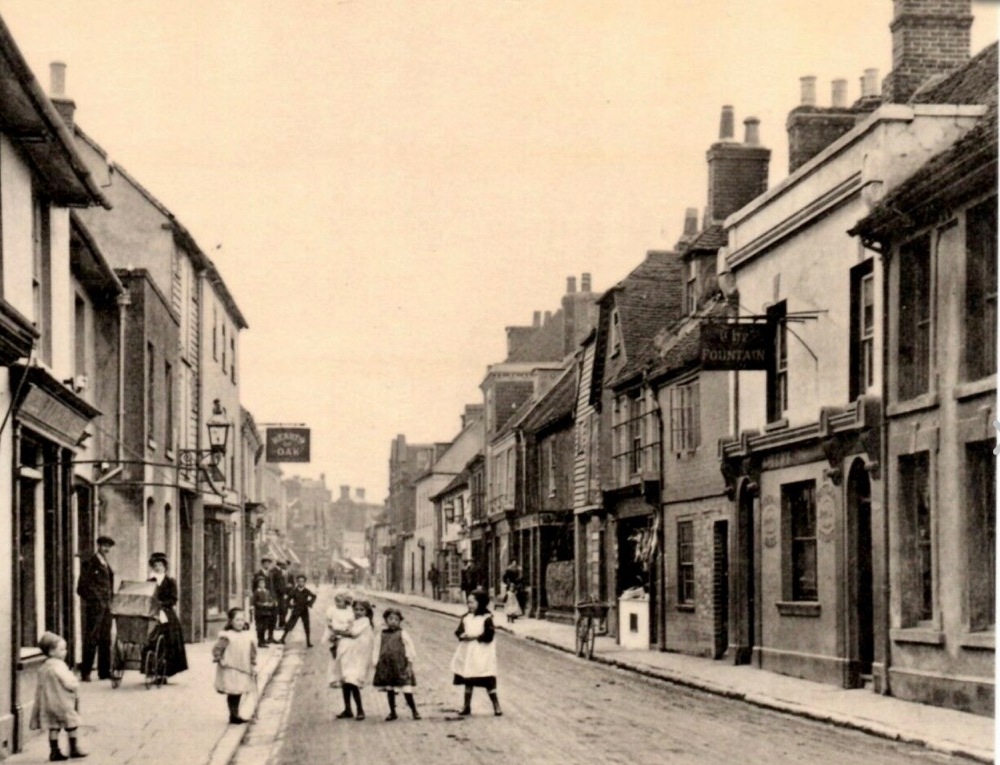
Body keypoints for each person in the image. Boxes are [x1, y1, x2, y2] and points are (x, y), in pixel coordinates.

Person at [30, 631, 86, 761]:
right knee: (71, 724)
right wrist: (75, 683)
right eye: (61, 649)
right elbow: (69, 682)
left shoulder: (43, 667)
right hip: (63, 702)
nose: (65, 652)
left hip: (48, 703)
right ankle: (73, 748)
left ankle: (54, 751)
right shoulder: (59, 666)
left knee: (53, 727)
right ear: (51, 652)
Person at [450, 590, 502, 717]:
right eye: (468, 602)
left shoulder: (486, 618)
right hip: (468, 652)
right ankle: (466, 706)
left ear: (481, 603)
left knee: (487, 677)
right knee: (468, 677)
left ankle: (496, 705)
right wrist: (462, 635)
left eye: (473, 602)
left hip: (482, 652)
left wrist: (473, 636)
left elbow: (489, 636)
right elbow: (458, 631)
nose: (470, 605)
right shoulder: (466, 618)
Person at [76, 535, 115, 682]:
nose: (106, 548)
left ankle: (104, 671)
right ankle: (86, 671)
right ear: (98, 546)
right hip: (96, 606)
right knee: (91, 638)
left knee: (105, 638)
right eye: (104, 545)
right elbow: (81, 587)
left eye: (109, 546)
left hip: (107, 606)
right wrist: (96, 600)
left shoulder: (105, 563)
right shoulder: (91, 562)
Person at [371, 608, 420, 721]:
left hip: (401, 666)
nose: (393, 621)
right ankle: (392, 712)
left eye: (396, 619)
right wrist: (376, 663)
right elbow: (376, 649)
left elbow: (409, 648)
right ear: (386, 620)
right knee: (390, 689)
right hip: (386, 666)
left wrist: (409, 664)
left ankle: (414, 711)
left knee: (406, 688)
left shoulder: (402, 633)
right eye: (390, 619)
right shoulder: (381, 635)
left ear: (399, 621)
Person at [212, 607, 257, 724]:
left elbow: (252, 652)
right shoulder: (227, 636)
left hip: (243, 667)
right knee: (233, 692)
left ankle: (234, 714)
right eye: (237, 620)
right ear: (231, 621)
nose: (240, 623)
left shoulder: (248, 636)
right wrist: (218, 658)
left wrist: (253, 664)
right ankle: (234, 715)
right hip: (231, 667)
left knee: (239, 691)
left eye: (242, 620)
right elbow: (218, 648)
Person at [147, 553, 189, 678]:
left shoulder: (170, 581)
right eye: (155, 565)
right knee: (149, 636)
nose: (158, 567)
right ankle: (151, 669)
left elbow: (173, 599)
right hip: (153, 612)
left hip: (166, 611)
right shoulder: (149, 581)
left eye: (160, 565)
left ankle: (166, 671)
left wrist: (161, 604)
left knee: (169, 637)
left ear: (165, 567)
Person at [334, 600, 374, 720]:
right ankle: (348, 709)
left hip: (358, 656)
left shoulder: (365, 621)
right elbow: (346, 631)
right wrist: (343, 632)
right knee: (346, 681)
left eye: (362, 610)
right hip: (348, 655)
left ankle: (360, 709)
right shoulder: (353, 621)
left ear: (367, 612)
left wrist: (340, 632)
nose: (358, 612)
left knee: (352, 681)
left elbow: (353, 633)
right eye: (356, 609)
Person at [324, 592, 354, 687]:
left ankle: (344, 678)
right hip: (335, 634)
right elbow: (329, 622)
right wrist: (333, 632)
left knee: (346, 658)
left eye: (340, 602)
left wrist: (348, 631)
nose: (337, 604)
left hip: (345, 635)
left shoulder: (349, 610)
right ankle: (333, 679)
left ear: (346, 602)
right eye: (336, 601)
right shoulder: (332, 610)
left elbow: (351, 623)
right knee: (335, 657)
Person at [280, 575, 317, 647]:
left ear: (304, 582)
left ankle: (308, 642)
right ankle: (282, 638)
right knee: (290, 624)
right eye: (299, 581)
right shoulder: (294, 591)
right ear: (297, 582)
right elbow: (287, 600)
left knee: (306, 626)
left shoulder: (306, 591)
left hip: (304, 610)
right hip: (296, 610)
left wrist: (310, 603)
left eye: (302, 581)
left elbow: (314, 596)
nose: (301, 583)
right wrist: (291, 606)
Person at [251, 557, 280, 643]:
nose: (267, 565)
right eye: (265, 563)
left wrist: (274, 599)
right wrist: (259, 598)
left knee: (273, 618)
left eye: (269, 563)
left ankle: (270, 637)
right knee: (262, 621)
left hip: (271, 599)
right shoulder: (257, 574)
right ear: (262, 564)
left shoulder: (271, 574)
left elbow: (274, 587)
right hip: (262, 601)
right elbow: (254, 588)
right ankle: (261, 639)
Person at [252, 578, 277, 649]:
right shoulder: (256, 592)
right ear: (258, 584)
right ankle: (260, 641)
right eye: (260, 583)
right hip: (259, 612)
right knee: (260, 627)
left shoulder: (267, 591)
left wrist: (272, 603)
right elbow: (255, 602)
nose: (262, 584)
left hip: (266, 612)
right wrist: (263, 604)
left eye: (263, 583)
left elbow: (270, 599)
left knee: (265, 626)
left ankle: (263, 640)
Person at [274, 560, 290, 632]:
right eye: (284, 565)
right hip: (278, 594)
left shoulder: (281, 572)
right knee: (278, 610)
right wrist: (285, 589)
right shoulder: (276, 572)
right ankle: (277, 624)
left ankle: (282, 624)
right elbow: (277, 585)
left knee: (283, 610)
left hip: (283, 594)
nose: (285, 566)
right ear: (281, 565)